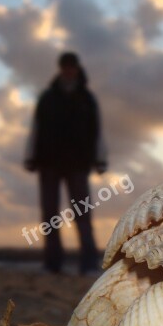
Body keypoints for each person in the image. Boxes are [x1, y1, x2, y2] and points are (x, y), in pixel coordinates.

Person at [23, 52, 107, 274]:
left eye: (71, 66)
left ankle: (89, 264)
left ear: (77, 68)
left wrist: (100, 159)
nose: (68, 70)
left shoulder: (87, 99)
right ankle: (52, 265)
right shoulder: (47, 98)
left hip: (78, 164)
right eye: (65, 66)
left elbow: (97, 131)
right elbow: (36, 129)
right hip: (48, 163)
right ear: (60, 69)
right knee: (50, 216)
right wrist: (30, 155)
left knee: (82, 214)